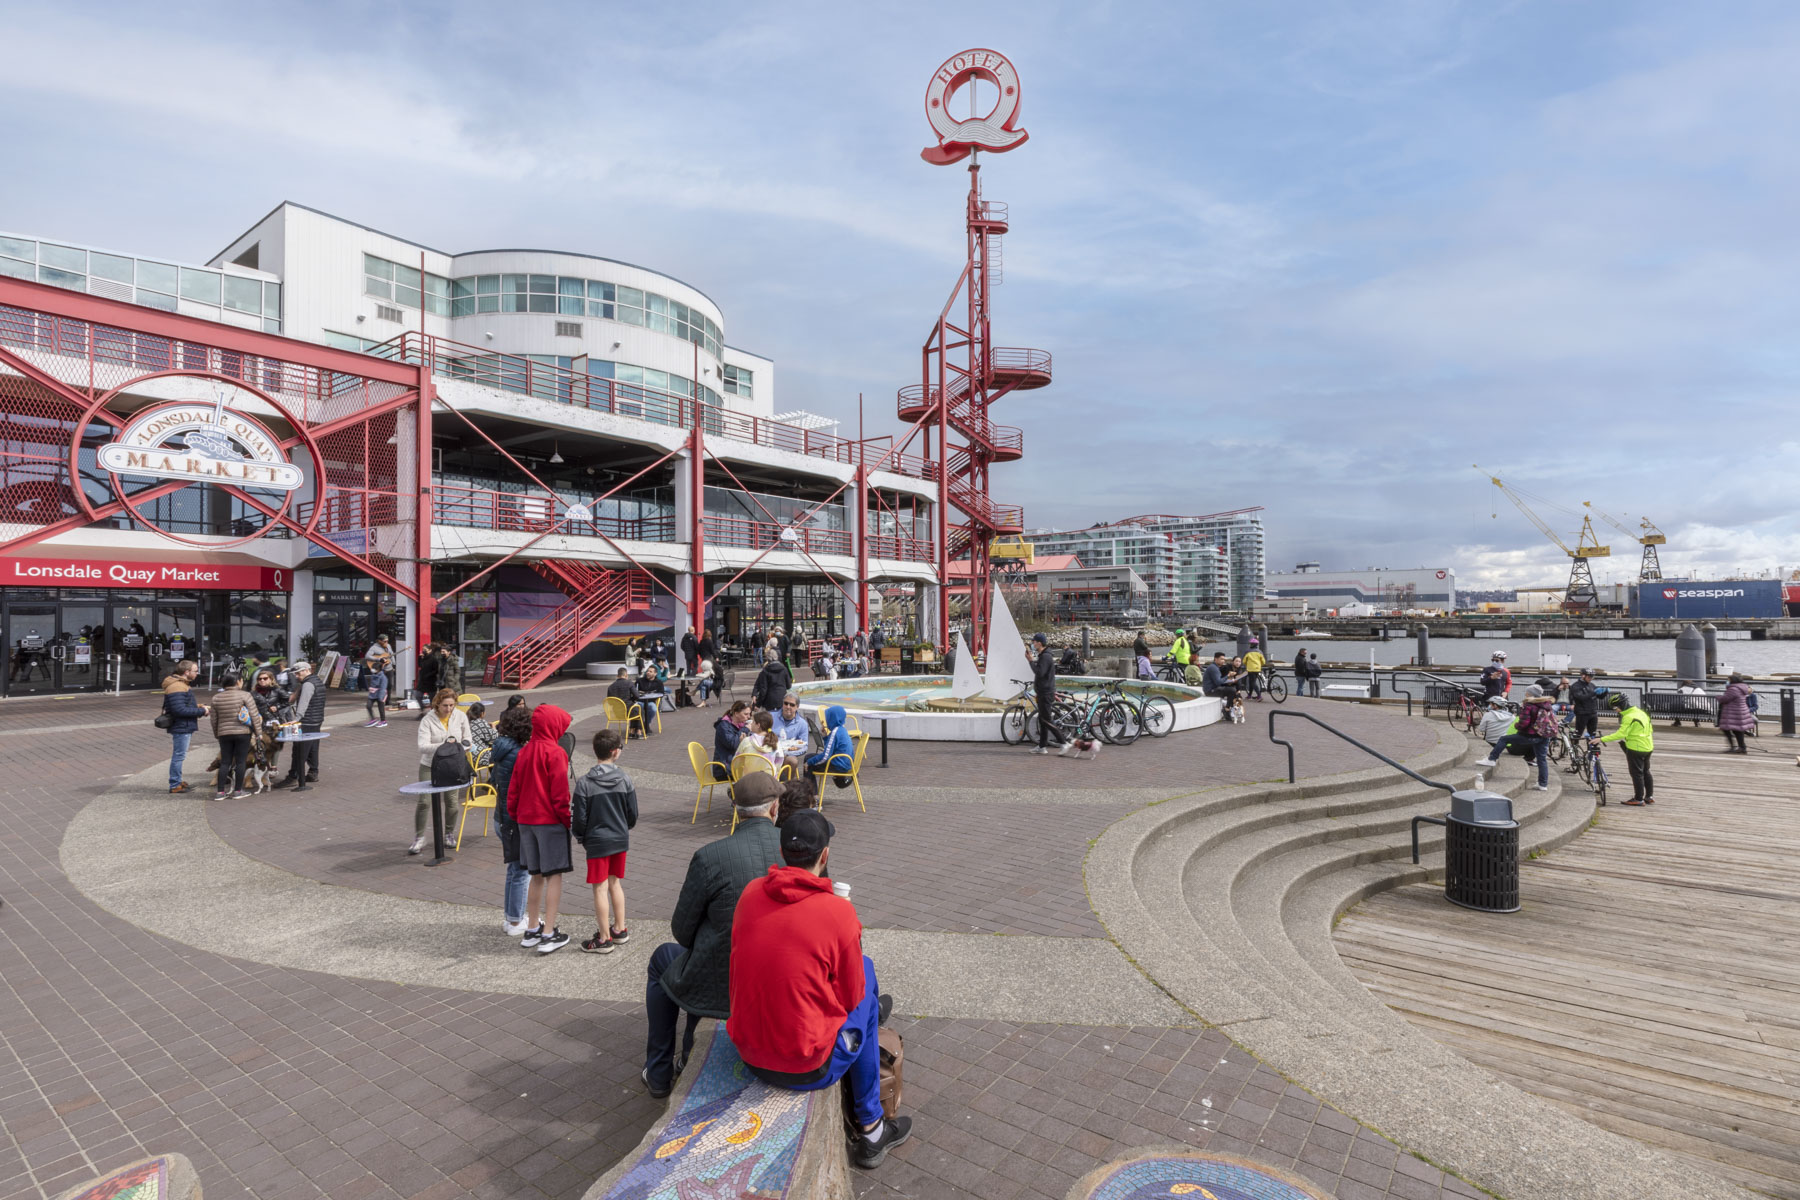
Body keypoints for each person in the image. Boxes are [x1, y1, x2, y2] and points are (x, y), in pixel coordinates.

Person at [727, 810, 910, 1169]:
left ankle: (872, 1019)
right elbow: (849, 995)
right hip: (809, 1065)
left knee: (865, 976)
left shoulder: (750, 894)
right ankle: (872, 1128)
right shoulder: (836, 913)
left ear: (781, 854)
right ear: (824, 856)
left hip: (750, 1055)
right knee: (866, 993)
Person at [642, 771, 784, 1099]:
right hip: (781, 977)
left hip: (722, 983)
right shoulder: (798, 851)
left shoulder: (710, 856)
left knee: (663, 959)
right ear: (775, 808)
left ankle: (660, 1070)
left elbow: (682, 931)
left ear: (736, 809)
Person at [511, 704, 575, 953]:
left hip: (525, 820)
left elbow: (513, 791)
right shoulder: (556, 753)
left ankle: (532, 927)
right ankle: (549, 932)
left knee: (535, 876)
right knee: (554, 875)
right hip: (549, 821)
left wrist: (517, 815)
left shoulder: (524, 752)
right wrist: (567, 820)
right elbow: (560, 795)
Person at [572, 729, 639, 954]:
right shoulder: (625, 779)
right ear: (615, 752)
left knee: (599, 888)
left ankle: (603, 938)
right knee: (615, 883)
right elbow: (633, 813)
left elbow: (579, 818)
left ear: (595, 751)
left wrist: (581, 836)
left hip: (597, 840)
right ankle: (620, 929)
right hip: (619, 837)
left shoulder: (585, 783)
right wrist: (624, 827)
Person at [490, 702, 534, 936]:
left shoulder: (501, 747)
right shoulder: (518, 754)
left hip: (501, 816)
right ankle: (516, 921)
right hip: (513, 818)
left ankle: (511, 917)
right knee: (521, 870)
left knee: (514, 868)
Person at [412, 688, 472, 854]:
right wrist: (446, 746)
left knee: (452, 802)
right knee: (424, 801)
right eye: (445, 705)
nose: (449, 709)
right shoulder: (427, 720)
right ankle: (419, 837)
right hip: (430, 765)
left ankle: (449, 834)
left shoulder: (460, 716)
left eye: (452, 705)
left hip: (453, 767)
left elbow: (468, 740)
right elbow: (422, 746)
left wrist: (459, 747)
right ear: (437, 704)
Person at [1477, 685, 1558, 790]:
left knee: (1504, 739)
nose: (1525, 693)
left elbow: (1524, 723)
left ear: (1530, 694)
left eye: (1527, 692)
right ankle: (1543, 784)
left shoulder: (1529, 705)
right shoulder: (1546, 704)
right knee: (1542, 760)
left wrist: (1516, 726)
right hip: (1544, 735)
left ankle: (1492, 759)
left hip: (1530, 734)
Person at [209, 672, 261, 800]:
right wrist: (258, 733)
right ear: (238, 681)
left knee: (225, 762)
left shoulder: (216, 698)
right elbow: (254, 716)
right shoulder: (245, 695)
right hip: (243, 732)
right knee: (240, 761)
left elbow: (214, 719)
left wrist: (217, 733)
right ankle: (238, 791)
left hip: (224, 733)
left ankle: (220, 792)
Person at [161, 660, 209, 794]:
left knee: (179, 755)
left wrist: (198, 706)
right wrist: (201, 711)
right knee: (179, 755)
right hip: (181, 725)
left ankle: (177, 780)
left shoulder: (180, 685)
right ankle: (175, 784)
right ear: (186, 672)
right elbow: (180, 710)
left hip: (183, 725)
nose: (197, 673)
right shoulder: (177, 687)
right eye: (195, 670)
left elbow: (182, 706)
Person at [1598, 691, 1654, 804]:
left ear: (1621, 705)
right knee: (1646, 771)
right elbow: (1650, 728)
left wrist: (1601, 739)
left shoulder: (1628, 717)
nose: (1615, 710)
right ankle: (1649, 797)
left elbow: (1620, 734)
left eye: (1615, 708)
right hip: (1648, 745)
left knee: (1636, 774)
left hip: (1635, 748)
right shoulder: (1640, 712)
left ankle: (1638, 799)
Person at [283, 661, 326, 791]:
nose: (296, 676)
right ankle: (313, 772)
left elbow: (303, 703)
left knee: (299, 750)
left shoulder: (308, 684)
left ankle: (294, 776)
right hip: (316, 720)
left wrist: (296, 719)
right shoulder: (317, 681)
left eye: (298, 673)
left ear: (306, 670)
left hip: (307, 720)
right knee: (313, 747)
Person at [1029, 631, 1064, 754]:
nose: (1032, 644)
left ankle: (1064, 743)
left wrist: (1030, 661)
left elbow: (1039, 673)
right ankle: (1042, 747)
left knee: (1047, 721)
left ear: (1039, 643)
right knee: (1043, 720)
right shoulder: (1044, 655)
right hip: (1043, 692)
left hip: (1045, 693)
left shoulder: (1045, 657)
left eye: (1033, 642)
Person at [805, 705, 855, 783]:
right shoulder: (842, 730)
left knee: (808, 759)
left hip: (838, 766)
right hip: (846, 764)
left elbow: (826, 756)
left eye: (828, 718)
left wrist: (809, 762)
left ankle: (810, 793)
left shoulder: (835, 732)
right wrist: (825, 737)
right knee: (810, 758)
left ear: (832, 718)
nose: (826, 720)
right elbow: (831, 749)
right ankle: (811, 792)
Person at [737, 709, 785, 775]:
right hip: (769, 781)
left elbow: (737, 763)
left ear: (758, 725)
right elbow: (779, 763)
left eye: (753, 722)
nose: (751, 724)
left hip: (748, 781)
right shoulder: (775, 742)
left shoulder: (746, 741)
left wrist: (741, 743)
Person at [712, 701, 751, 780]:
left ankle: (738, 791)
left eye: (749, 714)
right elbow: (732, 744)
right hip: (724, 769)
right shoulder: (723, 726)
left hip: (736, 764)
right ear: (736, 713)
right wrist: (745, 729)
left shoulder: (740, 725)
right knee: (754, 775)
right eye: (746, 714)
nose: (749, 717)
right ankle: (735, 791)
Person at [1718, 674, 1756, 754]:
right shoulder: (1742, 687)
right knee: (1738, 730)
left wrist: (1718, 697)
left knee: (1726, 729)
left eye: (1728, 680)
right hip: (1741, 711)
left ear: (1732, 681)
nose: (1727, 681)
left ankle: (1734, 747)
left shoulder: (1733, 689)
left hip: (1733, 712)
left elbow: (1725, 699)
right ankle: (1742, 747)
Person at [1567, 670, 1602, 739]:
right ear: (1583, 676)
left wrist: (1604, 693)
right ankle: (1574, 747)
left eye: (1592, 677)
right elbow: (1581, 697)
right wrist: (1593, 693)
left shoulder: (1592, 685)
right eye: (1589, 677)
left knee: (1592, 734)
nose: (1591, 679)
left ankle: (1591, 748)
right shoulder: (1575, 686)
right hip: (1582, 713)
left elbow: (1599, 697)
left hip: (1593, 712)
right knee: (1578, 733)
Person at [634, 668, 666, 735]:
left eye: (650, 671)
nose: (648, 672)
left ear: (655, 674)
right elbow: (634, 691)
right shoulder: (640, 681)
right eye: (647, 671)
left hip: (650, 702)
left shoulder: (659, 682)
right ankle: (638, 727)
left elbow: (662, 693)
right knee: (636, 708)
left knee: (653, 708)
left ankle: (646, 724)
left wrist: (654, 696)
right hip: (640, 701)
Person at [416, 644, 441, 717]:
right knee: (418, 695)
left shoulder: (434, 659)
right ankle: (422, 709)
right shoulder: (423, 658)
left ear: (430, 650)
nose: (423, 651)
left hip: (431, 681)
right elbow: (420, 665)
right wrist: (419, 658)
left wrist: (428, 675)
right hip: (422, 681)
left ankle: (433, 712)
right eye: (423, 649)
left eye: (425, 650)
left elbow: (436, 670)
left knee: (432, 698)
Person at [364, 661, 390, 728]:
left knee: (381, 708)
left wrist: (381, 697)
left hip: (380, 694)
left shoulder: (383, 677)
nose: (372, 669)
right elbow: (370, 684)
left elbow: (383, 688)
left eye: (374, 668)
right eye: (372, 668)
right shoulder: (373, 675)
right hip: (372, 694)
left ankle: (383, 721)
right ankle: (373, 719)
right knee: (368, 706)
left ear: (379, 669)